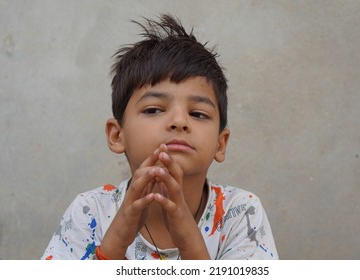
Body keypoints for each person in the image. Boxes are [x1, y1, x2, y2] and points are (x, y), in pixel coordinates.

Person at [41, 14, 278, 260]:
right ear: (117, 135)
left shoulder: (239, 213)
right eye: (153, 109)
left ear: (221, 143)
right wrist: (115, 242)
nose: (179, 121)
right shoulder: (90, 212)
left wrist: (188, 239)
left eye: (197, 114)